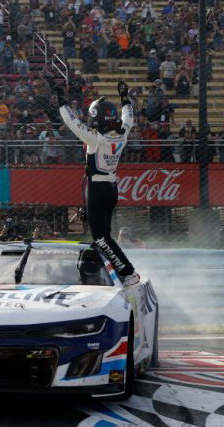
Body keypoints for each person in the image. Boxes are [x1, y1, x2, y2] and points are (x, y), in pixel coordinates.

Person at [58, 81, 140, 286]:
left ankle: (128, 273)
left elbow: (72, 122)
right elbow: (128, 116)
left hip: (97, 189)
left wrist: (61, 102)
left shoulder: (96, 139)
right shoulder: (123, 133)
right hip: (112, 187)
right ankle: (113, 273)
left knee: (101, 238)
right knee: (104, 237)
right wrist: (124, 97)